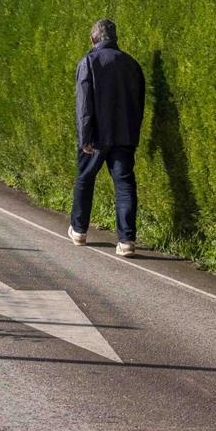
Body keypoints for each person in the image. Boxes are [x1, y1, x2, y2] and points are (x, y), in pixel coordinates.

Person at [68, 19, 145, 257]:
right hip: (124, 135)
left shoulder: (89, 62)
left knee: (85, 179)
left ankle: (79, 230)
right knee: (124, 185)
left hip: (97, 136)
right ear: (114, 38)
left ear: (94, 39)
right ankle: (126, 241)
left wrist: (85, 137)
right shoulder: (132, 64)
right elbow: (139, 103)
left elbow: (84, 104)